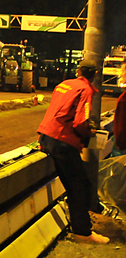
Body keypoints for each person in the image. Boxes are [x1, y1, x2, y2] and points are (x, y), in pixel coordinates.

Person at [37, 59, 110, 244]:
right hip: (63, 142)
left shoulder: (64, 85)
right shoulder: (85, 90)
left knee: (75, 183)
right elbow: (79, 122)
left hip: (46, 137)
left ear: (78, 71)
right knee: (80, 186)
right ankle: (83, 232)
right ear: (94, 75)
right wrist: (89, 133)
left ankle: (80, 228)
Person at [110, 61, 126, 152]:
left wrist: (120, 144)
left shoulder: (124, 99)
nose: (120, 74)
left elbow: (121, 129)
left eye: (123, 71)